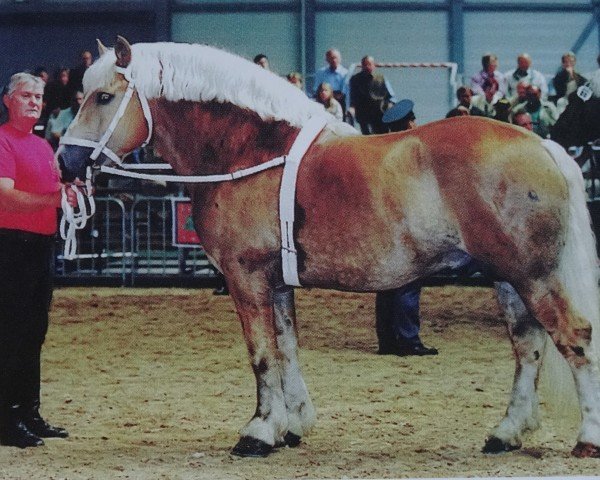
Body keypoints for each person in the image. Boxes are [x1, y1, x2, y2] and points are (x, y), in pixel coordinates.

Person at [0, 72, 79, 448]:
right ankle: (6, 418)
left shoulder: (44, 146)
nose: (34, 102)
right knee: (11, 333)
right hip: (11, 246)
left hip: (40, 245)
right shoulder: (2, 142)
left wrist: (71, 193)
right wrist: (54, 200)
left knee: (33, 332)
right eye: (26, 95)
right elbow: (5, 197)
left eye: (39, 96)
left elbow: (52, 191)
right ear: (8, 100)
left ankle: (28, 412)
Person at [376, 99, 438, 357]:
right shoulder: (413, 150)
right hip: (406, 222)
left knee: (386, 283)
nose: (415, 123)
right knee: (409, 281)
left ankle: (387, 340)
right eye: (412, 119)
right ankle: (409, 339)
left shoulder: (384, 150)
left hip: (384, 224)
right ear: (408, 122)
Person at [349, 55, 396, 135]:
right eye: (365, 64)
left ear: (374, 65)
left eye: (369, 64)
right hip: (363, 115)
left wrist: (390, 105)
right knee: (368, 139)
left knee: (383, 136)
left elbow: (392, 97)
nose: (367, 66)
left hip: (380, 113)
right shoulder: (355, 79)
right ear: (362, 66)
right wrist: (352, 108)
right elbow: (352, 97)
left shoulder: (381, 78)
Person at [313, 48, 350, 116]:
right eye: (331, 58)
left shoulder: (345, 73)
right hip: (323, 99)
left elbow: (346, 92)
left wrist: (348, 108)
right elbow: (316, 88)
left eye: (335, 58)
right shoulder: (321, 72)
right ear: (327, 59)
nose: (334, 60)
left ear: (340, 59)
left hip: (340, 99)